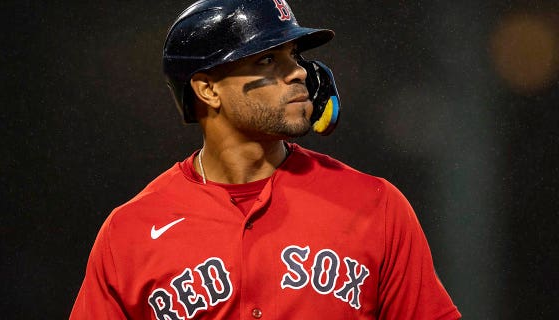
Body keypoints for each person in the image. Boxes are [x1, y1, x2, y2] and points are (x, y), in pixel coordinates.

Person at [70, 0, 461, 319]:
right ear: (207, 89)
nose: (297, 74)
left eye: (293, 56)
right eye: (266, 61)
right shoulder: (131, 232)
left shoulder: (376, 205)